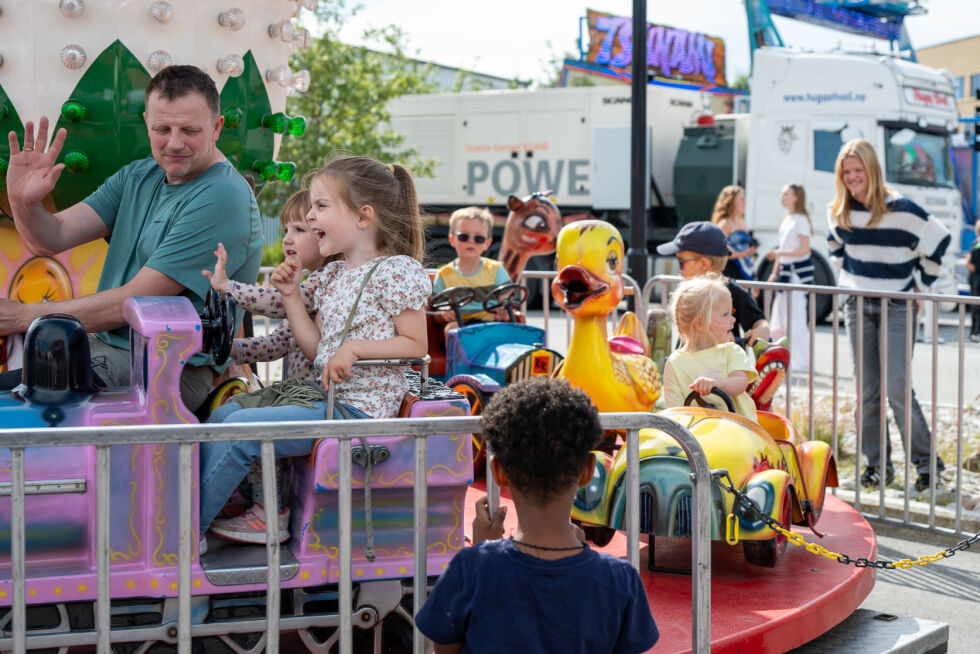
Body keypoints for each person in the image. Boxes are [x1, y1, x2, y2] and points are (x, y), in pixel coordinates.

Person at [0, 65, 263, 412]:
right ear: (147, 122)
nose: (174, 142)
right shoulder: (139, 175)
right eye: (162, 128)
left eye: (190, 130)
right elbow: (50, 237)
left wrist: (21, 316)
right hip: (104, 353)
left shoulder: (223, 194)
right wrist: (22, 200)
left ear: (216, 128)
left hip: (168, 373)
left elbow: (132, 301)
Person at [199, 155, 431, 546]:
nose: (311, 215)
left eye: (321, 207)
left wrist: (355, 348)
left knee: (241, 432)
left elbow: (416, 344)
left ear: (363, 217)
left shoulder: (397, 270)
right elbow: (315, 349)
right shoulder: (334, 275)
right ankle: (225, 508)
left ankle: (185, 537)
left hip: (359, 412)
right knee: (224, 415)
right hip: (326, 400)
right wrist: (291, 296)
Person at [415, 377, 658, 654]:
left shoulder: (470, 569)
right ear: (589, 470)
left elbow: (446, 649)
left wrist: (484, 551)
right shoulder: (619, 580)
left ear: (498, 472)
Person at [202, 189, 334, 522]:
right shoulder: (308, 282)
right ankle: (232, 492)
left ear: (324, 235)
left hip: (314, 397)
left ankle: (267, 511)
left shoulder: (322, 284)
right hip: (298, 393)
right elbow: (277, 342)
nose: (288, 239)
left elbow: (274, 301)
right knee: (221, 415)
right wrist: (229, 348)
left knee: (243, 425)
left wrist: (228, 287)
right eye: (286, 230)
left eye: (299, 231)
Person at [827, 138, 950, 493]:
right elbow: (835, 248)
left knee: (896, 388)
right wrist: (851, 281)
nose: (852, 177)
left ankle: (928, 466)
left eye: (858, 170)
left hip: (897, 306)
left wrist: (921, 287)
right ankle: (876, 466)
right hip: (857, 305)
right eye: (846, 172)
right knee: (867, 390)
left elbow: (939, 242)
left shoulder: (904, 210)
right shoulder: (840, 211)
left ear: (872, 170)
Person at [657, 221, 770, 345]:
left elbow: (759, 322)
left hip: (725, 362)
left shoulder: (731, 291)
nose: (678, 267)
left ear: (705, 264)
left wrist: (761, 330)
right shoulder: (687, 293)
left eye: (682, 261)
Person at [662, 275, 758, 421]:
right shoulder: (674, 364)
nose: (733, 320)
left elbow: (740, 383)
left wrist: (718, 383)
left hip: (741, 434)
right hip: (698, 439)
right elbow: (676, 414)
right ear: (701, 323)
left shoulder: (731, 351)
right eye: (726, 315)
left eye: (731, 313)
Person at [432, 205, 511, 333]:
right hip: (460, 324)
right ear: (452, 240)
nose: (471, 242)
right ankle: (457, 354)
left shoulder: (496, 270)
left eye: (478, 238)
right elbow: (437, 311)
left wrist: (505, 310)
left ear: (487, 243)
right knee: (451, 329)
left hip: (491, 323)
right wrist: (443, 312)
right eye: (464, 237)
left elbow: (507, 300)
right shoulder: (443, 275)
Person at [766, 183, 814, 373]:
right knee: (780, 317)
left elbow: (804, 249)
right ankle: (781, 356)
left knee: (796, 317)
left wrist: (779, 252)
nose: (782, 197)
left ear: (796, 197)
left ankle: (800, 361)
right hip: (785, 273)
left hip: (796, 276)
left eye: (786, 194)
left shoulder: (801, 220)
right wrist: (774, 272)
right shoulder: (787, 219)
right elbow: (784, 250)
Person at [710, 185, 757, 281]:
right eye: (741, 199)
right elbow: (719, 253)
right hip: (729, 274)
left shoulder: (742, 222)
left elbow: (749, 250)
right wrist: (743, 254)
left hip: (746, 273)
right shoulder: (723, 224)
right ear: (731, 201)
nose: (745, 203)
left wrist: (754, 276)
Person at [968, 221, 980, 343]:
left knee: (975, 306)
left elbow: (970, 264)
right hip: (976, 278)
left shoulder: (976, 244)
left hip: (976, 278)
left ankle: (975, 332)